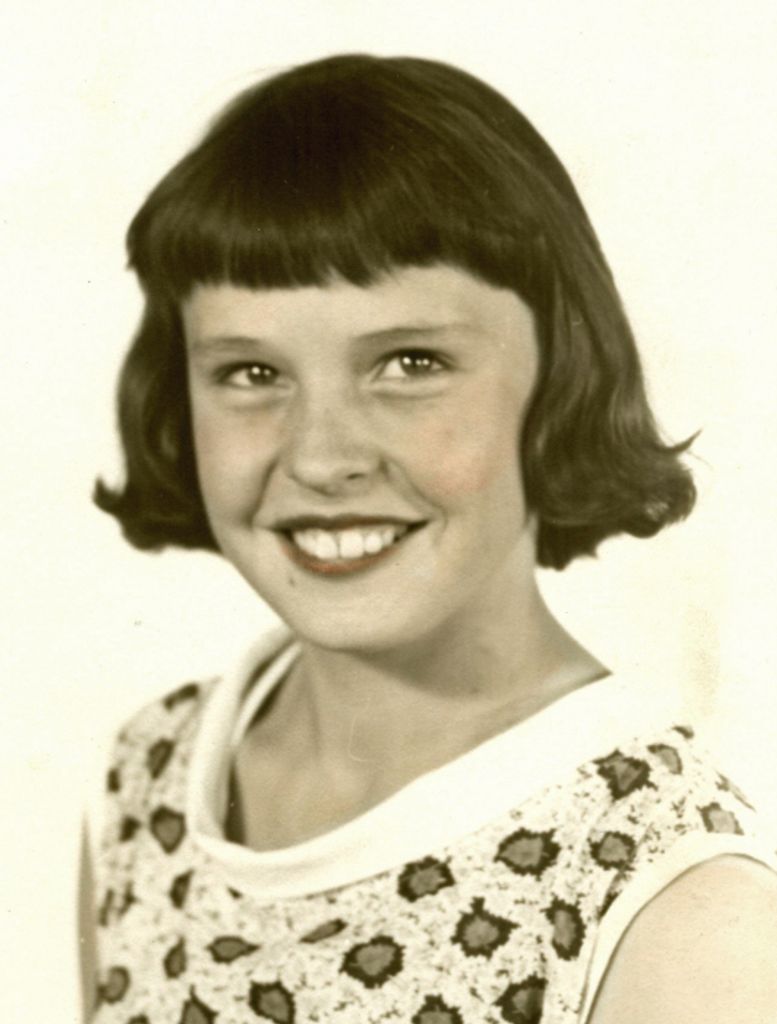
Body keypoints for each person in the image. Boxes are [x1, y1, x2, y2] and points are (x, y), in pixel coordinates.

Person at [81, 53, 777, 1023]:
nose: (321, 457)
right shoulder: (149, 777)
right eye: (250, 373)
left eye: (410, 363)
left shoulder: (675, 903)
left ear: (560, 379)